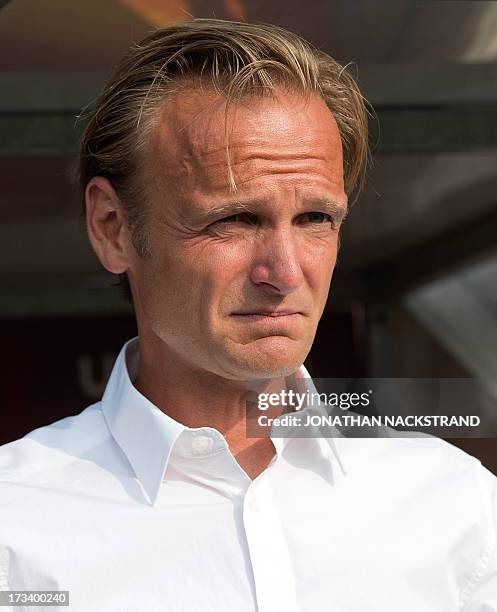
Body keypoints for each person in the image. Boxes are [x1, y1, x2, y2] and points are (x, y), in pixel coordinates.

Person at [0, 18, 495, 612]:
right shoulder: (17, 524)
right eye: (233, 220)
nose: (284, 273)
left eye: (316, 219)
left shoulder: (453, 505)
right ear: (112, 227)